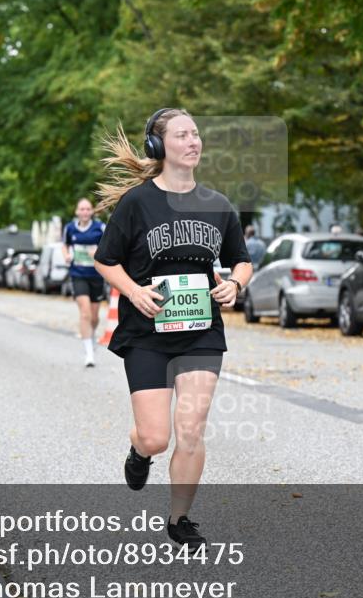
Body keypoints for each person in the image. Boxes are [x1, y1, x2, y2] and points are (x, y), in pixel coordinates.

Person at [93, 108, 253, 548]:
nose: (193, 141)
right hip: (147, 331)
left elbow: (242, 259)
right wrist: (134, 292)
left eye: (196, 134)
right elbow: (105, 260)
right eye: (182, 135)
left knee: (191, 427)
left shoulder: (218, 205)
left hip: (201, 330)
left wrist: (236, 283)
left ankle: (180, 520)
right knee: (157, 436)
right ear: (158, 147)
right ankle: (139, 450)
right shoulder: (138, 203)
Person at [63, 198, 106, 366]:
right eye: (82, 209)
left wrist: (99, 252)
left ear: (92, 212)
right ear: (77, 212)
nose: (85, 212)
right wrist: (66, 255)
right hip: (78, 274)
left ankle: (91, 335)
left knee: (94, 317)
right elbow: (65, 245)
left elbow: (111, 246)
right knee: (85, 313)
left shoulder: (100, 228)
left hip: (97, 275)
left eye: (88, 209)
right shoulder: (70, 228)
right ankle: (89, 354)